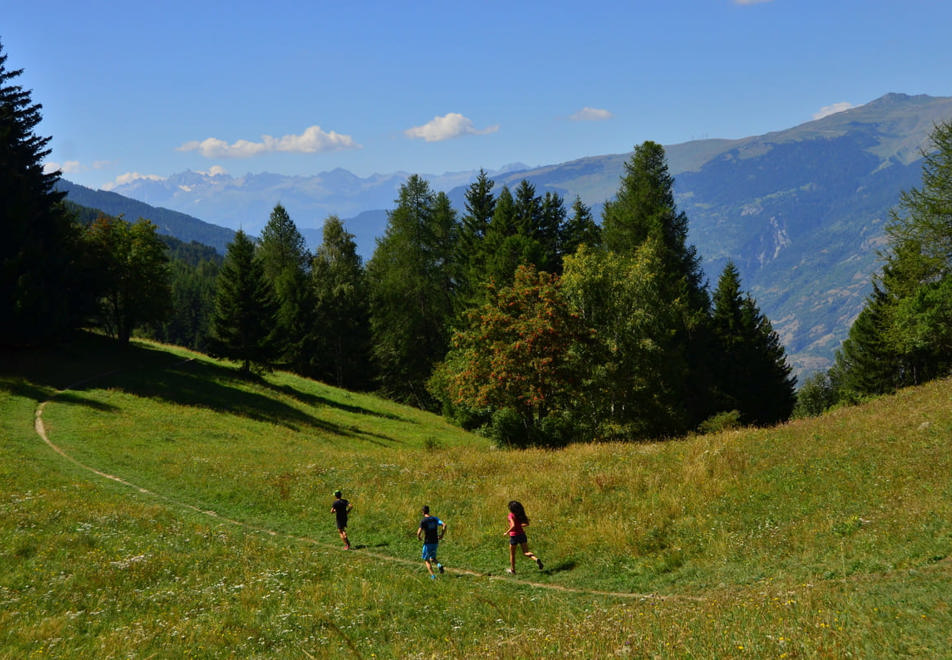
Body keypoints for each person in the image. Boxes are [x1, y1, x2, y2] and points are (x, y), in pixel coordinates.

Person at [505, 500, 543, 574]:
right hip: (522, 534)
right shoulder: (520, 514)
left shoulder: (511, 515)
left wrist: (507, 532)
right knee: (526, 552)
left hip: (514, 536)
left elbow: (513, 525)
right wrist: (519, 526)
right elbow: (526, 524)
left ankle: (512, 570)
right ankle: (536, 559)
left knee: (512, 554)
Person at [417, 505, 446, 579]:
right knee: (432, 558)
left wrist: (419, 537)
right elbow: (444, 525)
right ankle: (439, 565)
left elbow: (418, 532)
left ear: (423, 512)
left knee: (426, 560)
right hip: (435, 541)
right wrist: (441, 535)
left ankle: (433, 576)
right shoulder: (435, 519)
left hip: (428, 542)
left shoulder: (423, 521)